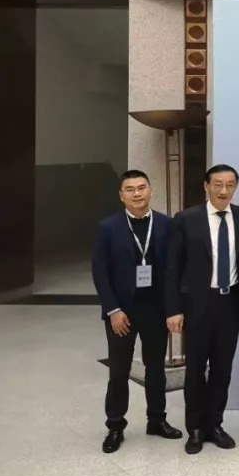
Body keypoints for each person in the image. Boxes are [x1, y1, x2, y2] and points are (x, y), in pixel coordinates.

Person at [91, 170, 182, 453]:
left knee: (156, 369)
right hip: (122, 312)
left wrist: (173, 309)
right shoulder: (108, 227)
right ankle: (115, 425)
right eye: (130, 189)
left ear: (150, 191)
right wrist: (113, 310)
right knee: (119, 371)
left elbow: (173, 270)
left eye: (142, 188)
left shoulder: (166, 224)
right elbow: (100, 272)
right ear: (121, 196)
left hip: (155, 309)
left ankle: (157, 420)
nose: (137, 193)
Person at [166, 164, 239, 454]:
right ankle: (195, 427)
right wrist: (174, 309)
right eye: (217, 184)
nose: (223, 190)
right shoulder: (186, 219)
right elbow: (172, 267)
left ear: (235, 187)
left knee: (222, 368)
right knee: (195, 369)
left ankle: (215, 423)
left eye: (230, 184)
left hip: (231, 303)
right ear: (206, 186)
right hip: (197, 304)